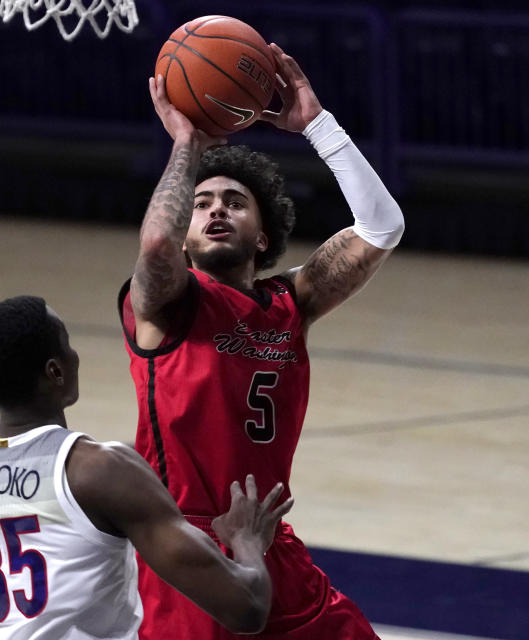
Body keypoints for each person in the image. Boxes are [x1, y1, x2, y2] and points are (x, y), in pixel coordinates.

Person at [118, 44, 404, 639]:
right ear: (186, 235)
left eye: (233, 201)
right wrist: (186, 150)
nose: (215, 209)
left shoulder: (289, 305)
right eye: (199, 205)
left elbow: (382, 226)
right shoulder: (168, 305)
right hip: (186, 547)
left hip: (271, 539)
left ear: (263, 232)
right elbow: (153, 250)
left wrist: (318, 128)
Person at [0, 295, 294, 639]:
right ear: (56, 371)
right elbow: (246, 608)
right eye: (68, 344)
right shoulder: (100, 472)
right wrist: (248, 540)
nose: (75, 355)